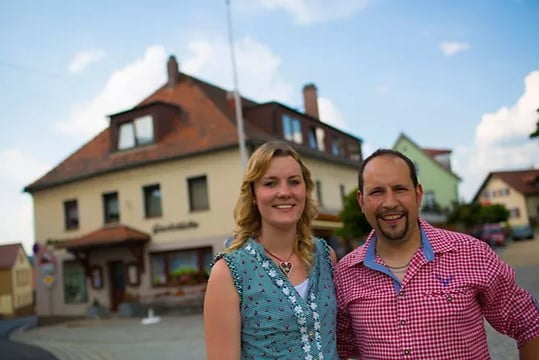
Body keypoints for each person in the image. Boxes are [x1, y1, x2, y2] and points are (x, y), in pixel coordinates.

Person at [334, 149, 539, 359]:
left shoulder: (471, 254)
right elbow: (339, 349)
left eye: (400, 189)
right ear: (361, 201)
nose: (390, 202)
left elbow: (529, 324)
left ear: (418, 194)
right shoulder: (345, 274)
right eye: (376, 192)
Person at [204, 140, 339, 360]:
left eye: (294, 182)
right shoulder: (228, 272)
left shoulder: (325, 257)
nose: (284, 192)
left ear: (305, 190)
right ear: (254, 195)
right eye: (270, 183)